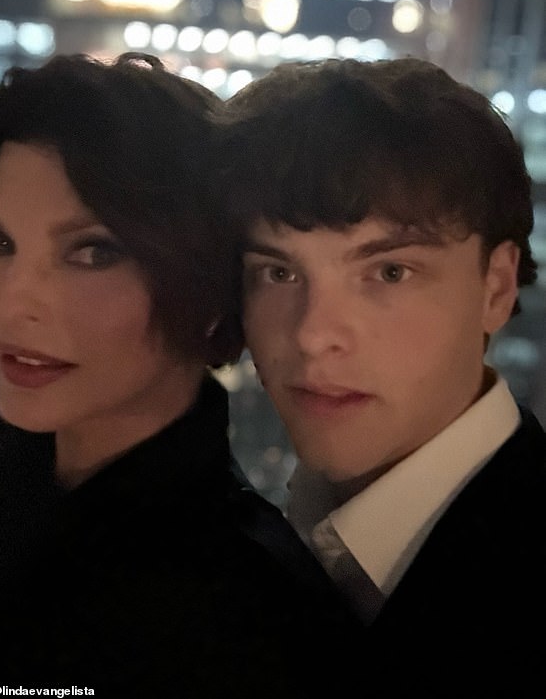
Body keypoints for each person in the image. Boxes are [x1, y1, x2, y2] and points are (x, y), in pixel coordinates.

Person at [0, 52, 358, 695]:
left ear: (206, 289)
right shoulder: (6, 468)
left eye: (93, 253)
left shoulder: (243, 613)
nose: (12, 302)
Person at [219, 56, 545, 698]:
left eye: (389, 272)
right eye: (278, 273)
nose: (313, 334)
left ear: (496, 286)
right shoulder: (257, 545)